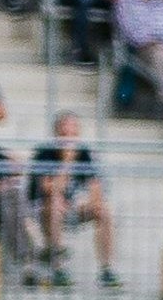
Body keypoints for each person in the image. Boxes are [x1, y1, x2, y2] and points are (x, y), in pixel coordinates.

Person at [26, 111, 114, 289]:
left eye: (73, 134)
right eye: (64, 134)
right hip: (42, 209)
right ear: (56, 134)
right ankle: (58, 267)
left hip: (71, 207)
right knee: (55, 204)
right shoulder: (44, 153)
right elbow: (49, 189)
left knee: (103, 211)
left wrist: (91, 204)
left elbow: (96, 188)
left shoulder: (84, 153)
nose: (69, 140)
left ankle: (107, 270)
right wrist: (67, 162)